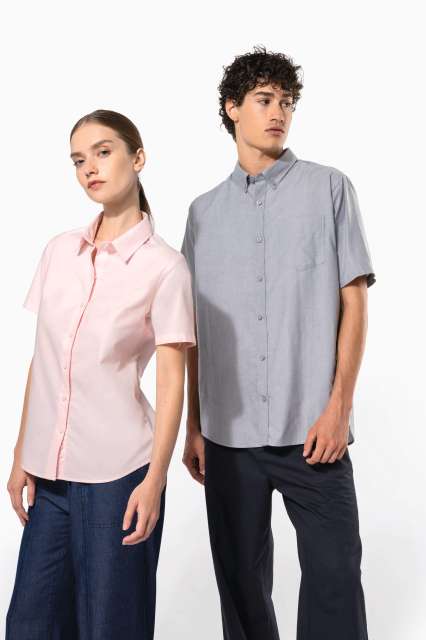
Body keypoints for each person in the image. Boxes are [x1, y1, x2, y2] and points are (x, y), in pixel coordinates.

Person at [181, 46, 375, 640]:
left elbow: (354, 302)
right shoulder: (203, 214)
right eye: (264, 99)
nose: (278, 113)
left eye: (287, 102)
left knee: (335, 577)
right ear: (231, 108)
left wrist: (338, 408)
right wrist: (194, 425)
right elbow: (192, 333)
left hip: (314, 430)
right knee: (240, 587)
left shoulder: (330, 188)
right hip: (228, 435)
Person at [6, 109, 196, 639]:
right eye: (78, 160)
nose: (89, 167)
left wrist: (155, 480)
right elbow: (43, 361)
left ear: (138, 158)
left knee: (111, 627)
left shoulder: (165, 268)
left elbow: (171, 383)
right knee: (29, 624)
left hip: (120, 476)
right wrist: (22, 454)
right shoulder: (58, 252)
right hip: (51, 479)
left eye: (103, 152)